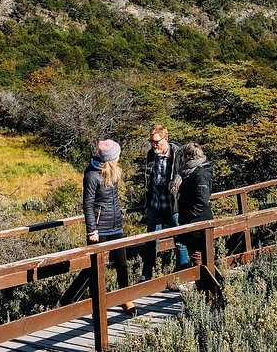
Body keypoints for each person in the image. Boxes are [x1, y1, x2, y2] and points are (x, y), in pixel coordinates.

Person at [64, 139, 135, 314]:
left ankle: (125, 298)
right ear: (112, 158)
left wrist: (119, 217)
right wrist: (92, 230)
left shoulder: (114, 173)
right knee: (95, 269)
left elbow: (114, 200)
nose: (119, 157)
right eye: (117, 155)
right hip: (99, 229)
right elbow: (87, 204)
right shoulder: (92, 175)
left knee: (121, 263)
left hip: (116, 225)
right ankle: (86, 302)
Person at [140, 125, 188, 282]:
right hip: (155, 204)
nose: (153, 145)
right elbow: (148, 181)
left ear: (165, 138)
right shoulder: (151, 155)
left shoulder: (177, 154)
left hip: (173, 204)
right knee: (150, 242)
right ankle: (146, 277)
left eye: (156, 142)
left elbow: (185, 176)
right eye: (151, 142)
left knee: (180, 241)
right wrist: (146, 204)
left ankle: (182, 277)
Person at [172, 142, 213, 268]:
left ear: (186, 156)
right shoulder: (190, 172)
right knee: (195, 253)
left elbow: (202, 200)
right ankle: (202, 282)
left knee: (198, 254)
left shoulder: (200, 174)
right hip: (192, 220)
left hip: (198, 221)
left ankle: (203, 282)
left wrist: (190, 216)